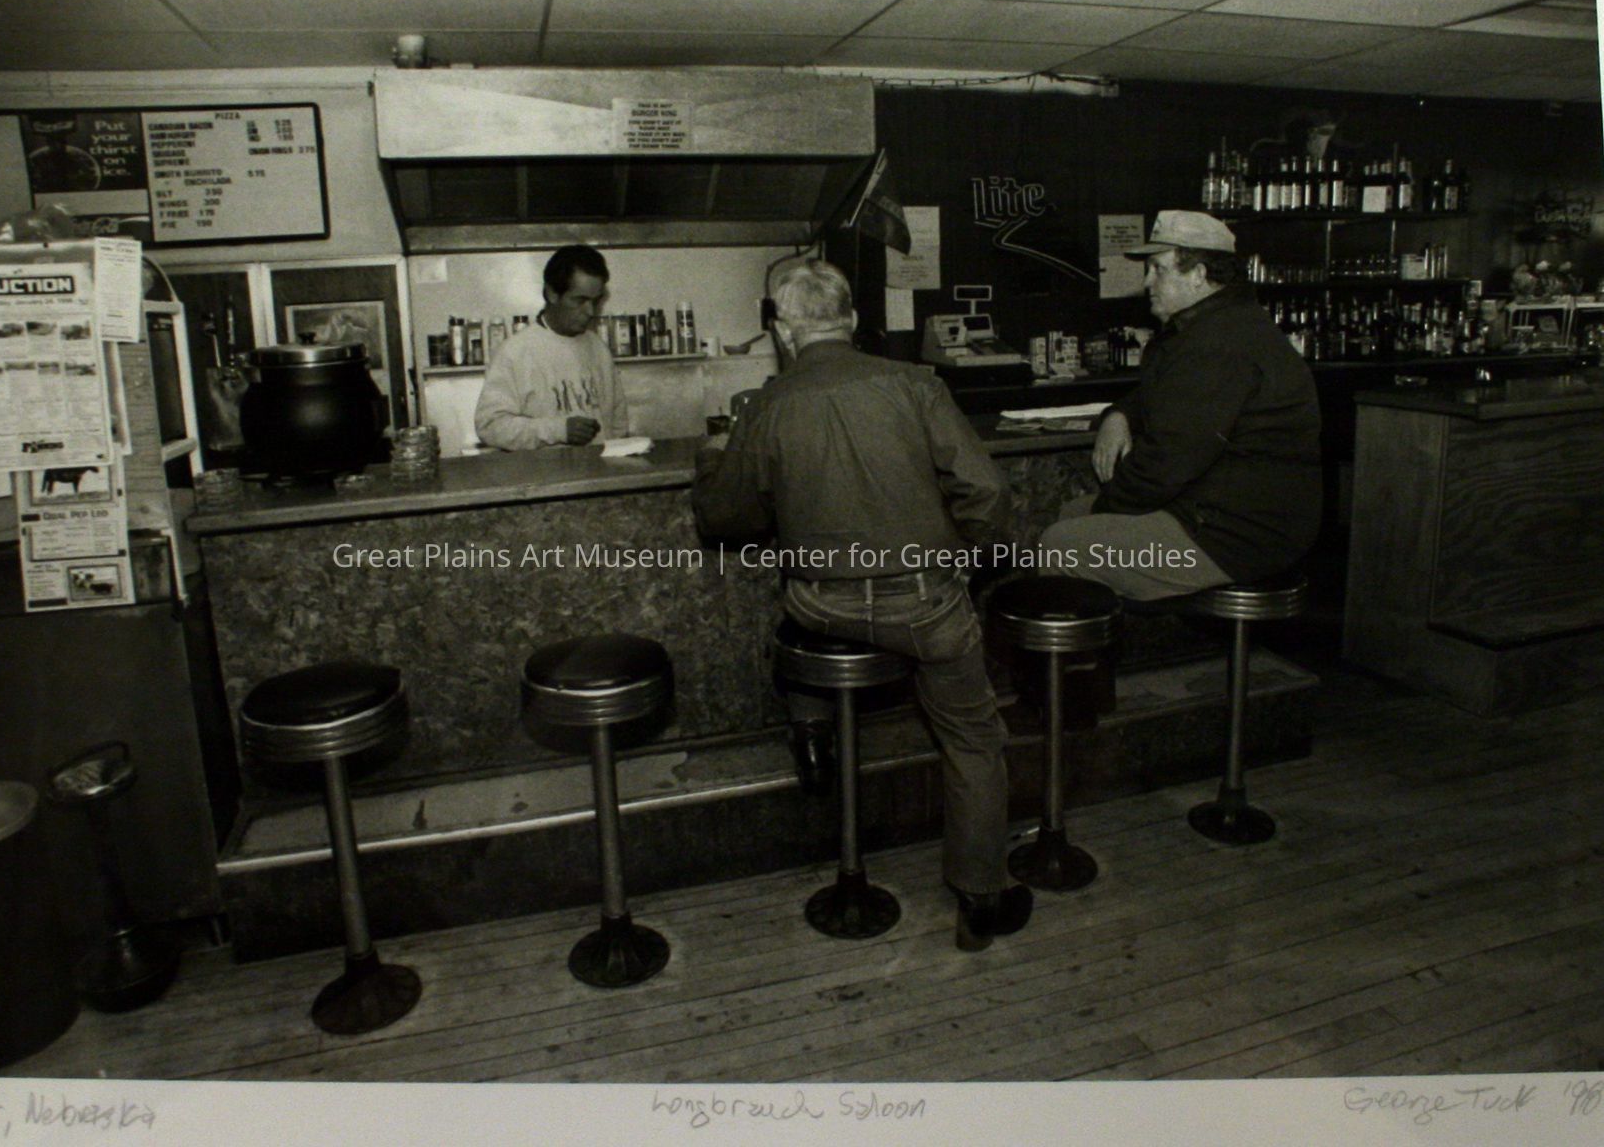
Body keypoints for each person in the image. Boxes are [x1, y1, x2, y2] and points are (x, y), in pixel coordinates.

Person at [690, 260, 1031, 951]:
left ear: (784, 330)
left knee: (789, 615)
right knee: (973, 740)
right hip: (923, 605)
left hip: (822, 606)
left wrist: (715, 460)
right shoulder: (916, 384)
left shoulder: (766, 405)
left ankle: (812, 726)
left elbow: (726, 522)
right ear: (849, 319)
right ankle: (979, 898)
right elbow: (988, 493)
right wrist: (971, 563)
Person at [1039, 210, 1321, 600]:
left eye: (1158, 269)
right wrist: (1119, 414)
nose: (1146, 282)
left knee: (1060, 543)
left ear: (1199, 275)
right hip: (1222, 513)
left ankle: (1101, 643)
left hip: (1237, 536)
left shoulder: (1218, 344)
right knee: (1072, 516)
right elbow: (1164, 394)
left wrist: (1107, 505)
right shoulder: (1219, 325)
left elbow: (1168, 462)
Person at [474, 245, 628, 450]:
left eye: (596, 301)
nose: (590, 311)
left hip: (598, 469)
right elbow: (490, 426)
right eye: (580, 300)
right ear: (552, 293)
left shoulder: (598, 348)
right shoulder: (515, 352)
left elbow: (618, 422)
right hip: (545, 471)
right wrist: (557, 430)